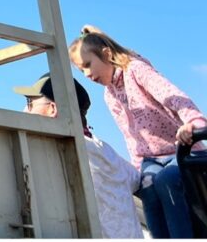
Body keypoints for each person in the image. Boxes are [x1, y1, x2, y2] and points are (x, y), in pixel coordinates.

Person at [70, 25, 207, 238]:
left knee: (166, 181)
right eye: (81, 70)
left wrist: (193, 122)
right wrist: (137, 170)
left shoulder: (135, 70)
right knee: (147, 187)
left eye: (88, 65)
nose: (87, 74)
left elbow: (172, 95)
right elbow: (131, 136)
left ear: (106, 54)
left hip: (180, 150)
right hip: (151, 159)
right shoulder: (110, 96)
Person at [14, 72, 142, 238]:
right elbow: (139, 181)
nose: (25, 110)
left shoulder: (51, 149)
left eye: (30, 103)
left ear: (53, 109)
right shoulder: (106, 151)